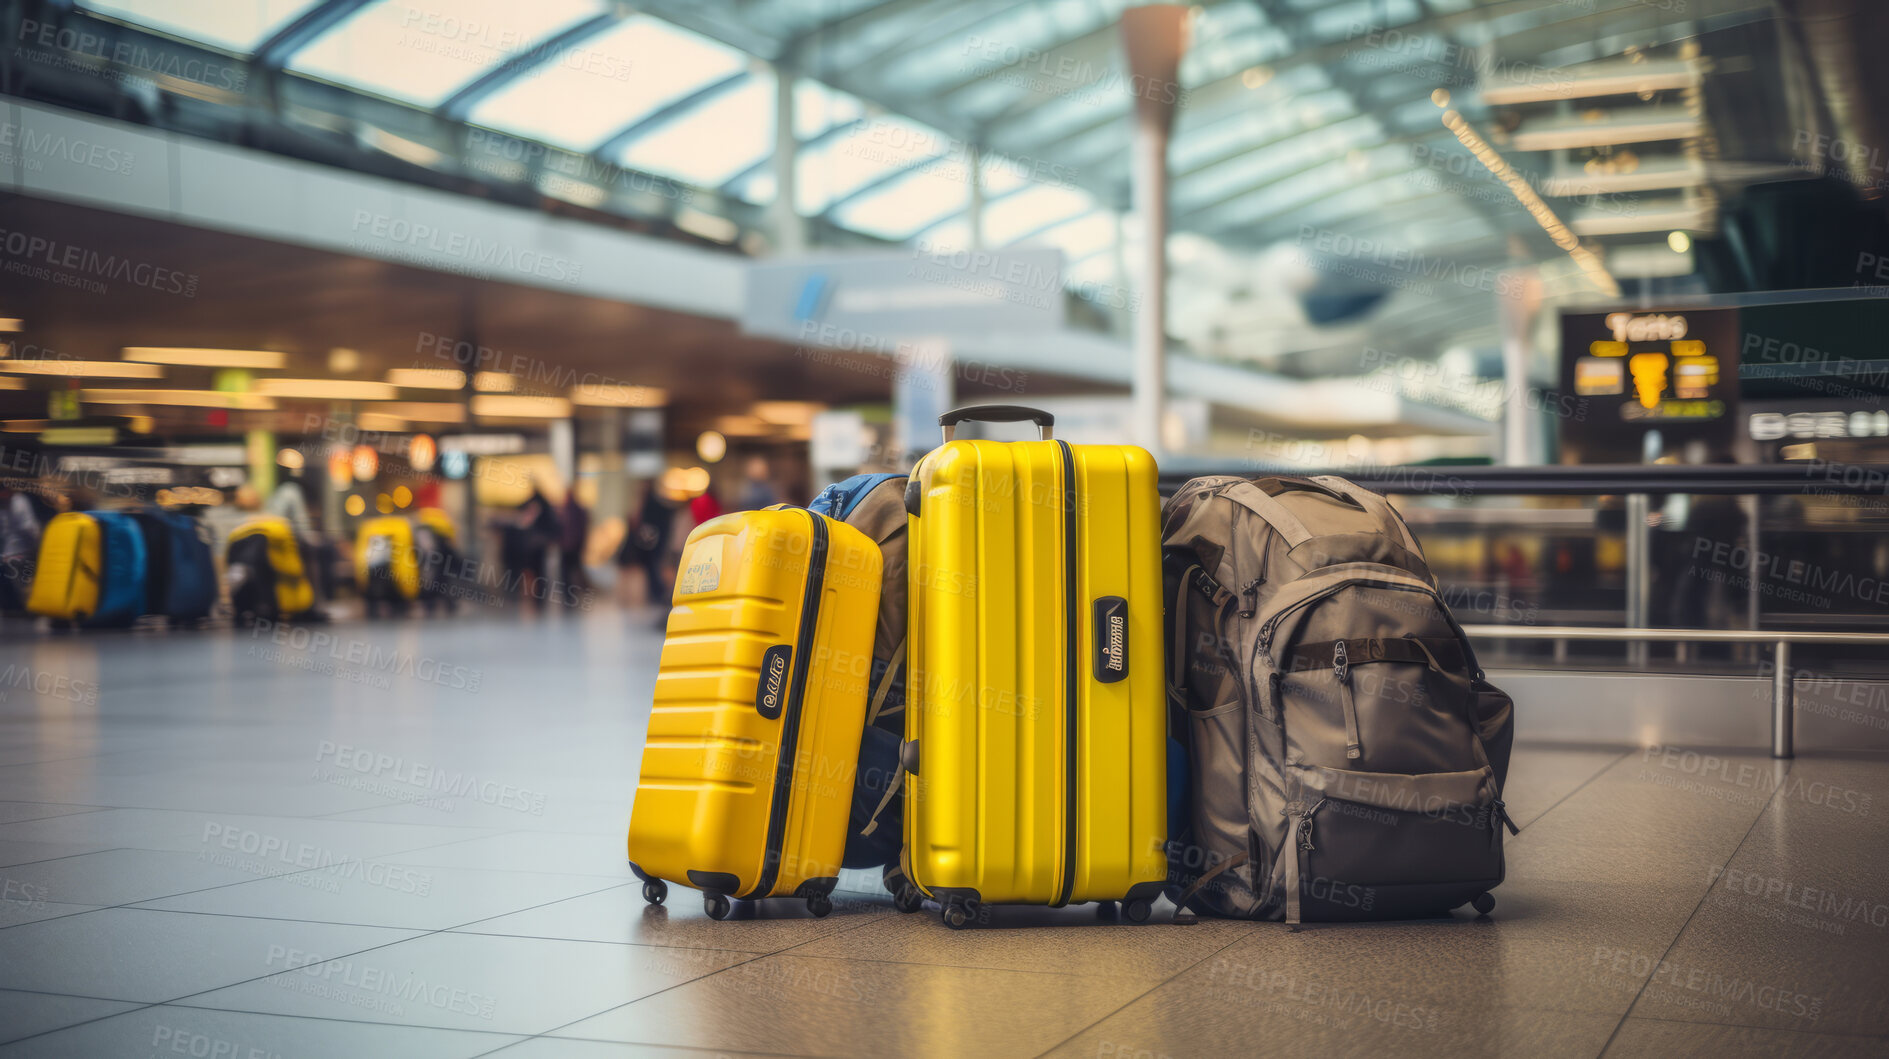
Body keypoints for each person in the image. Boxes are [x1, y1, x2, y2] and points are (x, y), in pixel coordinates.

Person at [617, 481, 678, 618]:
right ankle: (657, 594)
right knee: (652, 570)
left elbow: (649, 527)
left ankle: (659, 594)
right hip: (652, 544)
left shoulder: (651, 504)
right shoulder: (653, 504)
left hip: (651, 545)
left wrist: (647, 544)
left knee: (654, 570)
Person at [502, 483, 561, 611]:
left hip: (534, 552)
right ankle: (532, 598)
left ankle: (536, 599)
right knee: (530, 576)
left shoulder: (541, 512)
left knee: (536, 576)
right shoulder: (538, 511)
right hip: (529, 553)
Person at [558, 490, 592, 601]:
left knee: (569, 571)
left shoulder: (571, 511)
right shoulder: (574, 510)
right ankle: (571, 593)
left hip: (570, 546)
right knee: (571, 571)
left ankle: (571, 594)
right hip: (571, 545)